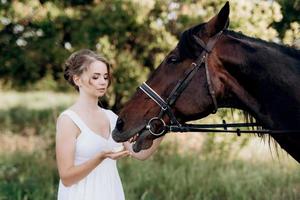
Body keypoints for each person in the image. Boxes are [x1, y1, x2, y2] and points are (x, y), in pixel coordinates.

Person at [56, 49, 163, 200]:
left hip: (111, 193)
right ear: (77, 79)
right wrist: (101, 157)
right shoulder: (68, 120)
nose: (103, 82)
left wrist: (163, 127)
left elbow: (138, 153)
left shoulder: (112, 117)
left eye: (105, 77)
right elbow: (66, 178)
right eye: (95, 77)